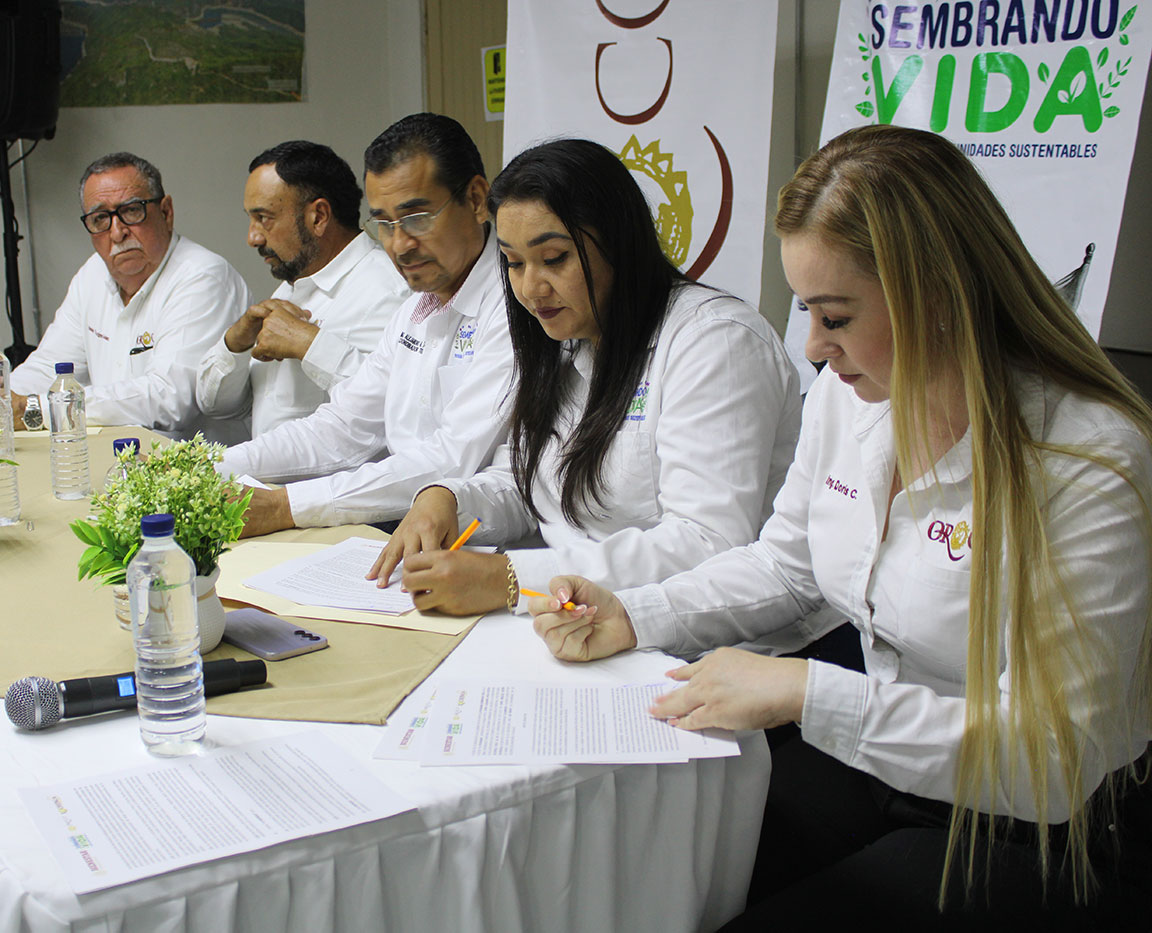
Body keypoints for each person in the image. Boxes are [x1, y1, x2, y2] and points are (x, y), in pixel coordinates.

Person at [529, 124, 1152, 927]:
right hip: (882, 760)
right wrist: (633, 613)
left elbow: (1050, 760)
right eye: (808, 311)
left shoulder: (1085, 459)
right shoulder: (850, 391)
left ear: (939, 292)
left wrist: (805, 691)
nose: (815, 347)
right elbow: (787, 567)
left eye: (836, 314)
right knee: (657, 874)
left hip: (1042, 824)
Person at [366, 138, 802, 618]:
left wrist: (512, 580)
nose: (531, 288)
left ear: (619, 243)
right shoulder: (564, 335)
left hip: (696, 635)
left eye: (554, 258)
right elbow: (525, 482)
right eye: (512, 263)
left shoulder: (714, 342)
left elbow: (706, 543)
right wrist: (447, 497)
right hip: (571, 617)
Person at [222, 113, 514, 536]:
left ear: (475, 198)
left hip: (494, 553)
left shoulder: (514, 301)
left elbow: (452, 457)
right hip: (412, 537)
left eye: (416, 218)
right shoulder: (418, 306)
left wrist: (286, 507)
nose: (400, 245)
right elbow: (343, 427)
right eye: (384, 224)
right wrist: (213, 466)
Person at [0, 152, 251, 442]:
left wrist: (34, 410)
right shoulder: (93, 274)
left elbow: (170, 398)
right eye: (100, 219)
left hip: (200, 473)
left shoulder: (202, 275)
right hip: (119, 462)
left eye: (132, 211)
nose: (118, 232)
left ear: (166, 212)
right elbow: (50, 366)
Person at [195, 141, 408, 435]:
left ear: (318, 217)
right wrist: (235, 343)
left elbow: (402, 411)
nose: (253, 238)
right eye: (251, 219)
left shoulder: (389, 291)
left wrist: (312, 346)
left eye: (264, 218)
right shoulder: (287, 290)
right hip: (262, 476)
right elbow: (219, 407)